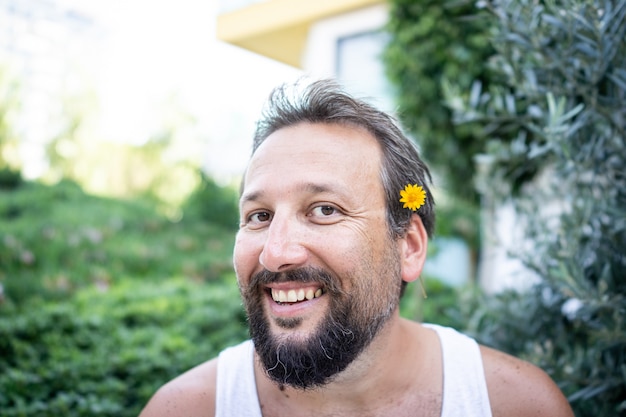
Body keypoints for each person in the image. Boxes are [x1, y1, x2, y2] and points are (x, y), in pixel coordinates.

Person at [139, 79, 574, 417]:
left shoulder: (514, 404)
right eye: (259, 216)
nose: (276, 253)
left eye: (324, 210)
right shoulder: (184, 408)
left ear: (409, 246)